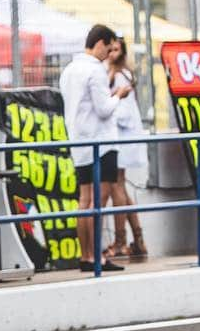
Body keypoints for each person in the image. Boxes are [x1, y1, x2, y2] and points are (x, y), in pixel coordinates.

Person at [59, 24, 133, 272]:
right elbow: (104, 109)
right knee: (97, 204)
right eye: (108, 48)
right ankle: (98, 257)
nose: (109, 54)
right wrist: (118, 95)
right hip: (101, 143)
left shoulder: (69, 70)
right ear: (100, 43)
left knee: (84, 201)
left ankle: (86, 255)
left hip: (78, 141)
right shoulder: (95, 70)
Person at [106, 36, 148, 259]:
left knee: (117, 187)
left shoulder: (120, 76)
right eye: (109, 49)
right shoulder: (114, 74)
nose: (111, 53)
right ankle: (138, 239)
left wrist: (110, 98)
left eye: (115, 50)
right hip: (122, 138)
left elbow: (122, 113)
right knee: (121, 189)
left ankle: (121, 240)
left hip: (121, 138)